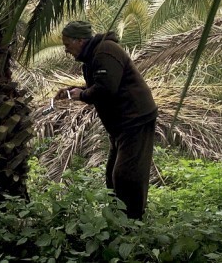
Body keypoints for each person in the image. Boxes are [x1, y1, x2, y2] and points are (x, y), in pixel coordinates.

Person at [55, 20, 158, 220]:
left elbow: (106, 89)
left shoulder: (104, 52)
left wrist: (81, 95)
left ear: (80, 41)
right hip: (120, 125)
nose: (66, 50)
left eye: (67, 44)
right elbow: (101, 85)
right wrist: (74, 90)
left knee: (126, 176)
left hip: (135, 120)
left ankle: (133, 223)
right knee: (114, 175)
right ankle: (118, 218)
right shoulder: (93, 55)